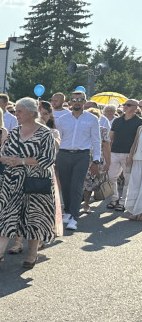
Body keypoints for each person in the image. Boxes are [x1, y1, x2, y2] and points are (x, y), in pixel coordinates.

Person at [0, 98, 57, 269]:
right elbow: (4, 152)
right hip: (11, 181)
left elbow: (48, 159)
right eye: (16, 111)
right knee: (4, 216)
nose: (16, 114)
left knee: (33, 218)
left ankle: (32, 255)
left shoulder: (45, 133)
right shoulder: (14, 132)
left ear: (32, 113)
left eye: (20, 111)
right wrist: (5, 158)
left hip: (35, 182)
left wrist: (22, 161)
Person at [53, 92, 102, 232]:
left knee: (76, 185)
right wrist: (55, 157)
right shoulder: (62, 119)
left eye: (80, 100)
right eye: (74, 100)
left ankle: (74, 216)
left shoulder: (92, 119)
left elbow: (96, 140)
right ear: (70, 102)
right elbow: (58, 139)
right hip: (64, 154)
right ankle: (68, 211)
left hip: (82, 155)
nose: (77, 103)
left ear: (84, 102)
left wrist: (96, 160)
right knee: (66, 186)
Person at [106, 99, 141, 212]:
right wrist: (106, 151)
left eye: (129, 105)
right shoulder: (117, 121)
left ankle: (123, 202)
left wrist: (131, 155)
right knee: (111, 177)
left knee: (127, 180)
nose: (125, 106)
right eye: (124, 104)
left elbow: (137, 141)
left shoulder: (139, 122)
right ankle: (114, 198)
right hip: (114, 152)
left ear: (136, 107)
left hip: (129, 154)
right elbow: (110, 136)